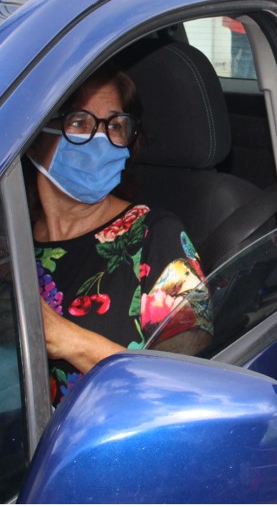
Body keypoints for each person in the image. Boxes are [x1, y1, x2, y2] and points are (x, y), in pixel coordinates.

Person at [24, 63, 211, 406]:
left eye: (114, 126)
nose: (101, 139)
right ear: (33, 141)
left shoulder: (155, 235)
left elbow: (187, 383)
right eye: (79, 123)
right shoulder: (7, 242)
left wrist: (69, 341)